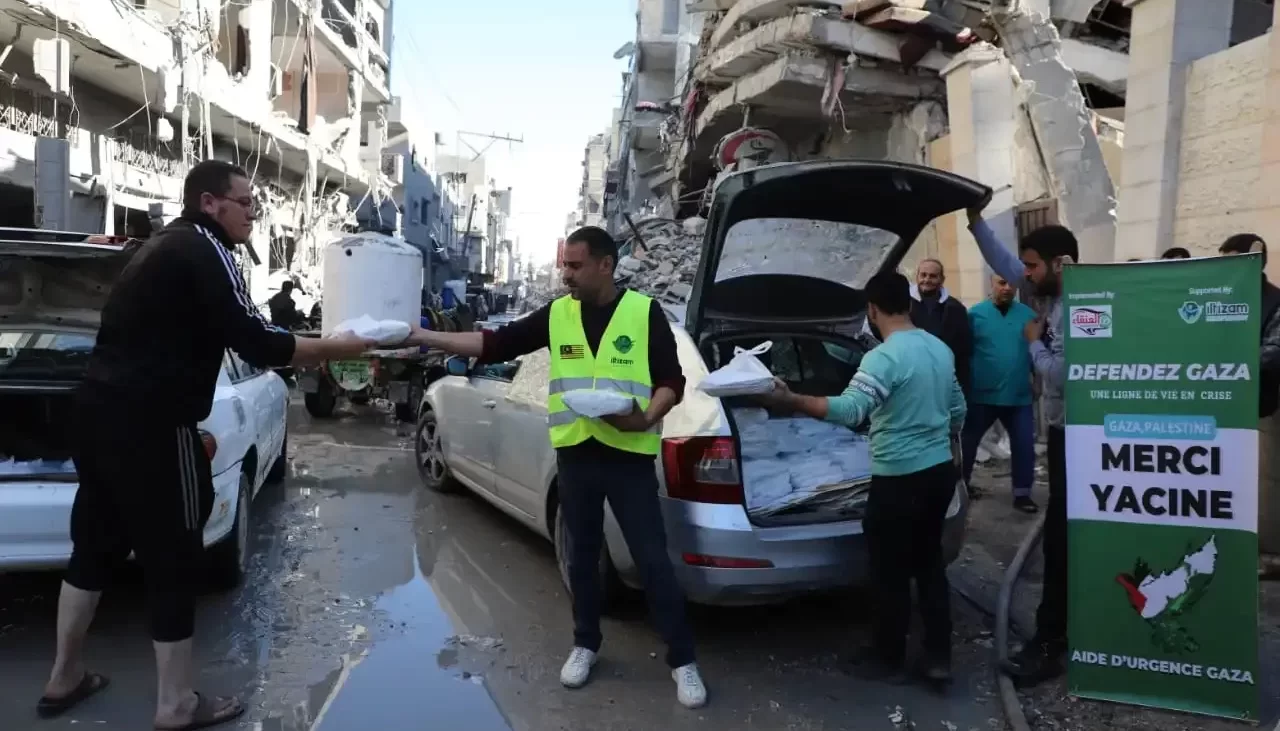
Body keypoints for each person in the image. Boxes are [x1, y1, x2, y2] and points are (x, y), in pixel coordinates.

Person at [39, 160, 377, 729]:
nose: (252, 213)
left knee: (93, 548)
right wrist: (335, 347)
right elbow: (255, 338)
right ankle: (174, 705)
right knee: (174, 560)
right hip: (154, 424)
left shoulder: (158, 247)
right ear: (209, 204)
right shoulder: (206, 248)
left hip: (96, 415)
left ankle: (63, 677)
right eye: (245, 202)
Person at [400, 226, 707, 708]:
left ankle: (683, 661)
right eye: (565, 265)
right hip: (577, 454)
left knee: (651, 560)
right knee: (580, 557)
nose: (566, 275)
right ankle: (585, 645)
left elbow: (673, 379)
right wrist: (424, 335)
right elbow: (496, 344)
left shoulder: (643, 313)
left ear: (606, 265)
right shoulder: (558, 315)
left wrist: (647, 416)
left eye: (576, 266)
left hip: (628, 456)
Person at [759, 271, 965, 684]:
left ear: (872, 310)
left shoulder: (883, 358)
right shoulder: (938, 349)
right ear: (907, 304)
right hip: (940, 474)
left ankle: (887, 657)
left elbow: (852, 411)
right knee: (928, 564)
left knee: (888, 570)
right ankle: (938, 657)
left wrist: (791, 400)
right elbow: (958, 410)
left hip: (898, 479)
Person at [965, 207, 1074, 686]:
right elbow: (1006, 262)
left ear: (1062, 264)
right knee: (1059, 540)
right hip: (1063, 434)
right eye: (1025, 268)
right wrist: (976, 222)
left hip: (1079, 438)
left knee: (1061, 544)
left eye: (1032, 267)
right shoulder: (1050, 294)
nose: (1022, 276)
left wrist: (1034, 344)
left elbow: (1064, 375)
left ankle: (1050, 645)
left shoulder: (1081, 308)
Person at [1218, 233, 1280, 578]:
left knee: (1264, 483)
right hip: (1224, 407)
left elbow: (1274, 353)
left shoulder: (1275, 302)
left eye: (1230, 261)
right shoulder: (1221, 297)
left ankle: (1265, 553)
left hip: (1261, 407)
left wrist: (1230, 363)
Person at [963, 274, 1039, 512]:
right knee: (967, 443)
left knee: (1025, 443)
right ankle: (961, 489)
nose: (1007, 288)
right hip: (982, 394)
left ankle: (1022, 494)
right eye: (1001, 282)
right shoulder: (974, 315)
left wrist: (1038, 381)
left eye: (1011, 284)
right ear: (991, 283)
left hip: (1018, 394)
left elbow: (1037, 350)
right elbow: (963, 353)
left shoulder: (1028, 315)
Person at [910, 258, 971, 392]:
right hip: (909, 380)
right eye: (923, 275)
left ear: (942, 279)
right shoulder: (902, 304)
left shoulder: (956, 308)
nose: (927, 280)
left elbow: (964, 349)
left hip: (945, 382)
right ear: (917, 276)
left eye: (933, 276)